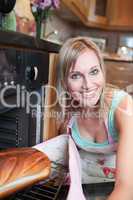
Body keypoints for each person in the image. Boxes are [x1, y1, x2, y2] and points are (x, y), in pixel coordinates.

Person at [34, 36, 133, 200]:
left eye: (94, 71)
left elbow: (127, 187)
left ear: (102, 71)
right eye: (76, 76)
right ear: (65, 83)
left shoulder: (123, 107)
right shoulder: (66, 116)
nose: (88, 85)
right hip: (95, 187)